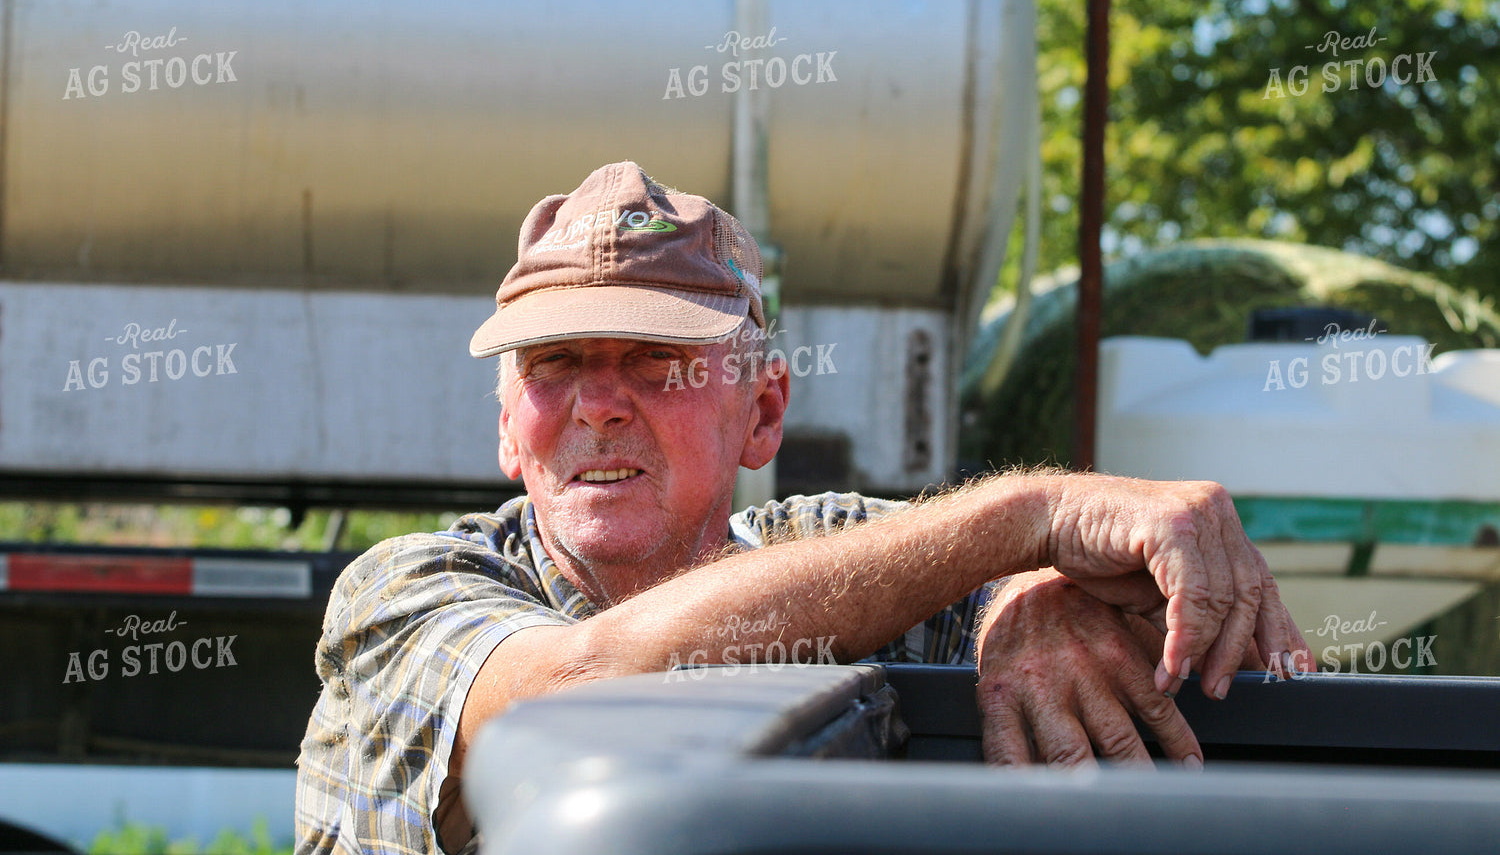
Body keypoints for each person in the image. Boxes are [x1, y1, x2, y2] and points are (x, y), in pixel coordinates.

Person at [294, 160, 1312, 854]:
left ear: (764, 410)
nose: (600, 402)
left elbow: (930, 566)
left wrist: (1039, 597)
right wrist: (1029, 516)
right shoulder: (407, 591)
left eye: (657, 361)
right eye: (556, 365)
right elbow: (579, 680)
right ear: (510, 427)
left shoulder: (825, 550)